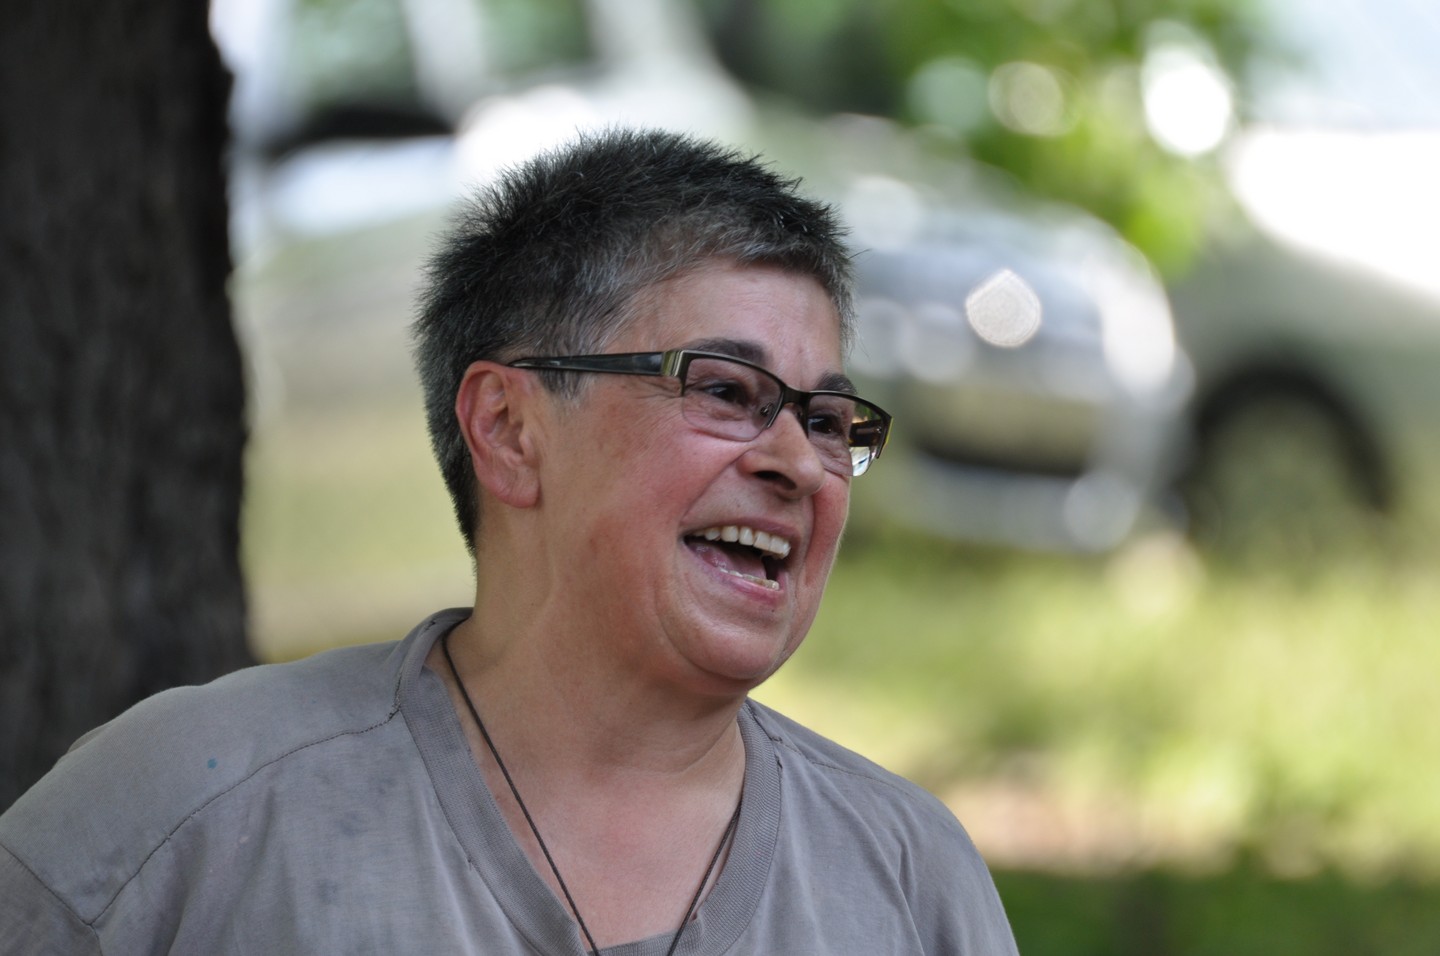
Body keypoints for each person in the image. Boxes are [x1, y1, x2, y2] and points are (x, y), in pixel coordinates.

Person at [0, 128, 1018, 955]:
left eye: (828, 420)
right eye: (722, 389)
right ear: (509, 430)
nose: (798, 461)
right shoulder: (187, 818)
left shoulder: (907, 877)